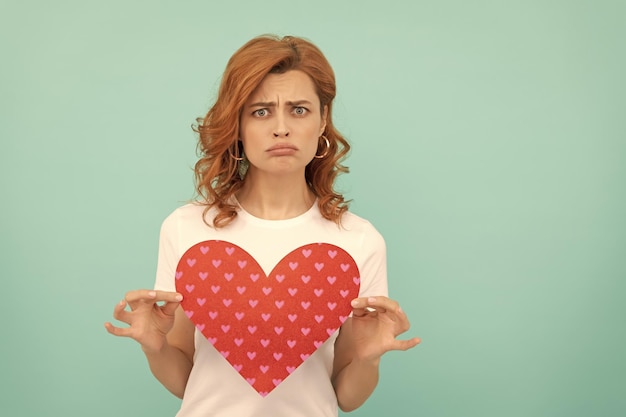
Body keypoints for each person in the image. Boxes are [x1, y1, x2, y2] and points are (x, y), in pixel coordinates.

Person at [105, 34, 420, 417]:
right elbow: (186, 381)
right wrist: (155, 347)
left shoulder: (357, 241)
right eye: (261, 111)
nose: (281, 128)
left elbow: (347, 397)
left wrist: (368, 360)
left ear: (323, 120)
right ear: (237, 126)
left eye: (299, 110)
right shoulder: (187, 229)